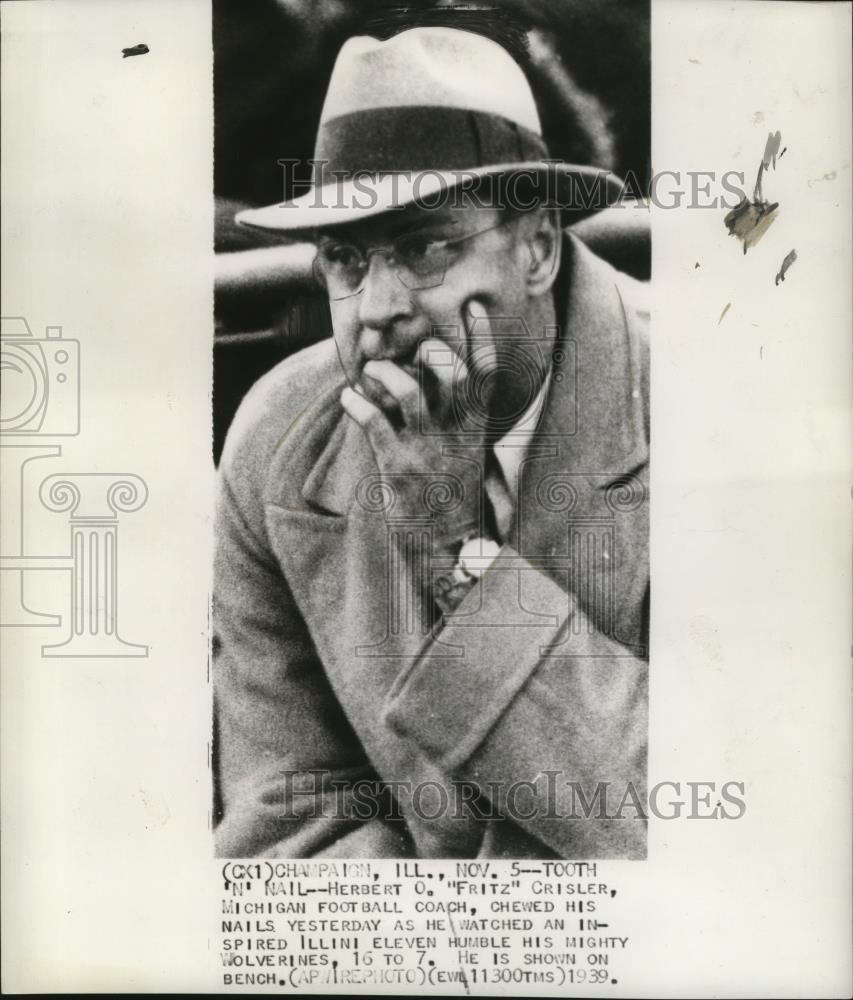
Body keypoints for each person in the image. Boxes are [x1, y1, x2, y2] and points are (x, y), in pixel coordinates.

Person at [213, 24, 649, 859]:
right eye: (345, 258)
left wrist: (459, 556)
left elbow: (725, 838)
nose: (376, 310)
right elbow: (287, 817)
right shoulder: (279, 444)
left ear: (537, 249)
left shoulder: (716, 411)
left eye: (423, 248)